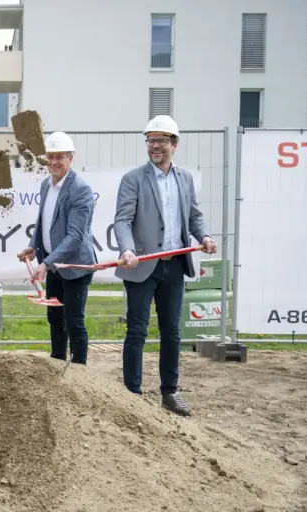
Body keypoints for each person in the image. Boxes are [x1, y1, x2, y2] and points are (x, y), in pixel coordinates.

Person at [113, 115, 217, 416]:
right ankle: (131, 393)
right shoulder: (133, 179)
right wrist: (128, 249)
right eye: (150, 140)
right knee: (137, 331)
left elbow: (194, 216)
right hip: (143, 266)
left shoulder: (184, 179)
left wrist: (205, 235)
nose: (154, 146)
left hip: (174, 266)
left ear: (174, 144)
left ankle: (170, 392)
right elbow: (122, 220)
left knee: (172, 332)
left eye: (160, 141)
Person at [17, 132, 98, 365]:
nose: (53, 162)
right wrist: (33, 246)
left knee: (74, 320)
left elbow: (74, 237)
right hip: (53, 265)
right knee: (54, 317)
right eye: (50, 157)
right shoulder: (46, 185)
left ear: (70, 158)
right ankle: (57, 361)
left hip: (75, 267)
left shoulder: (80, 190)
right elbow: (44, 222)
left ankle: (79, 370)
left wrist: (45, 263)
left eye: (59, 157)